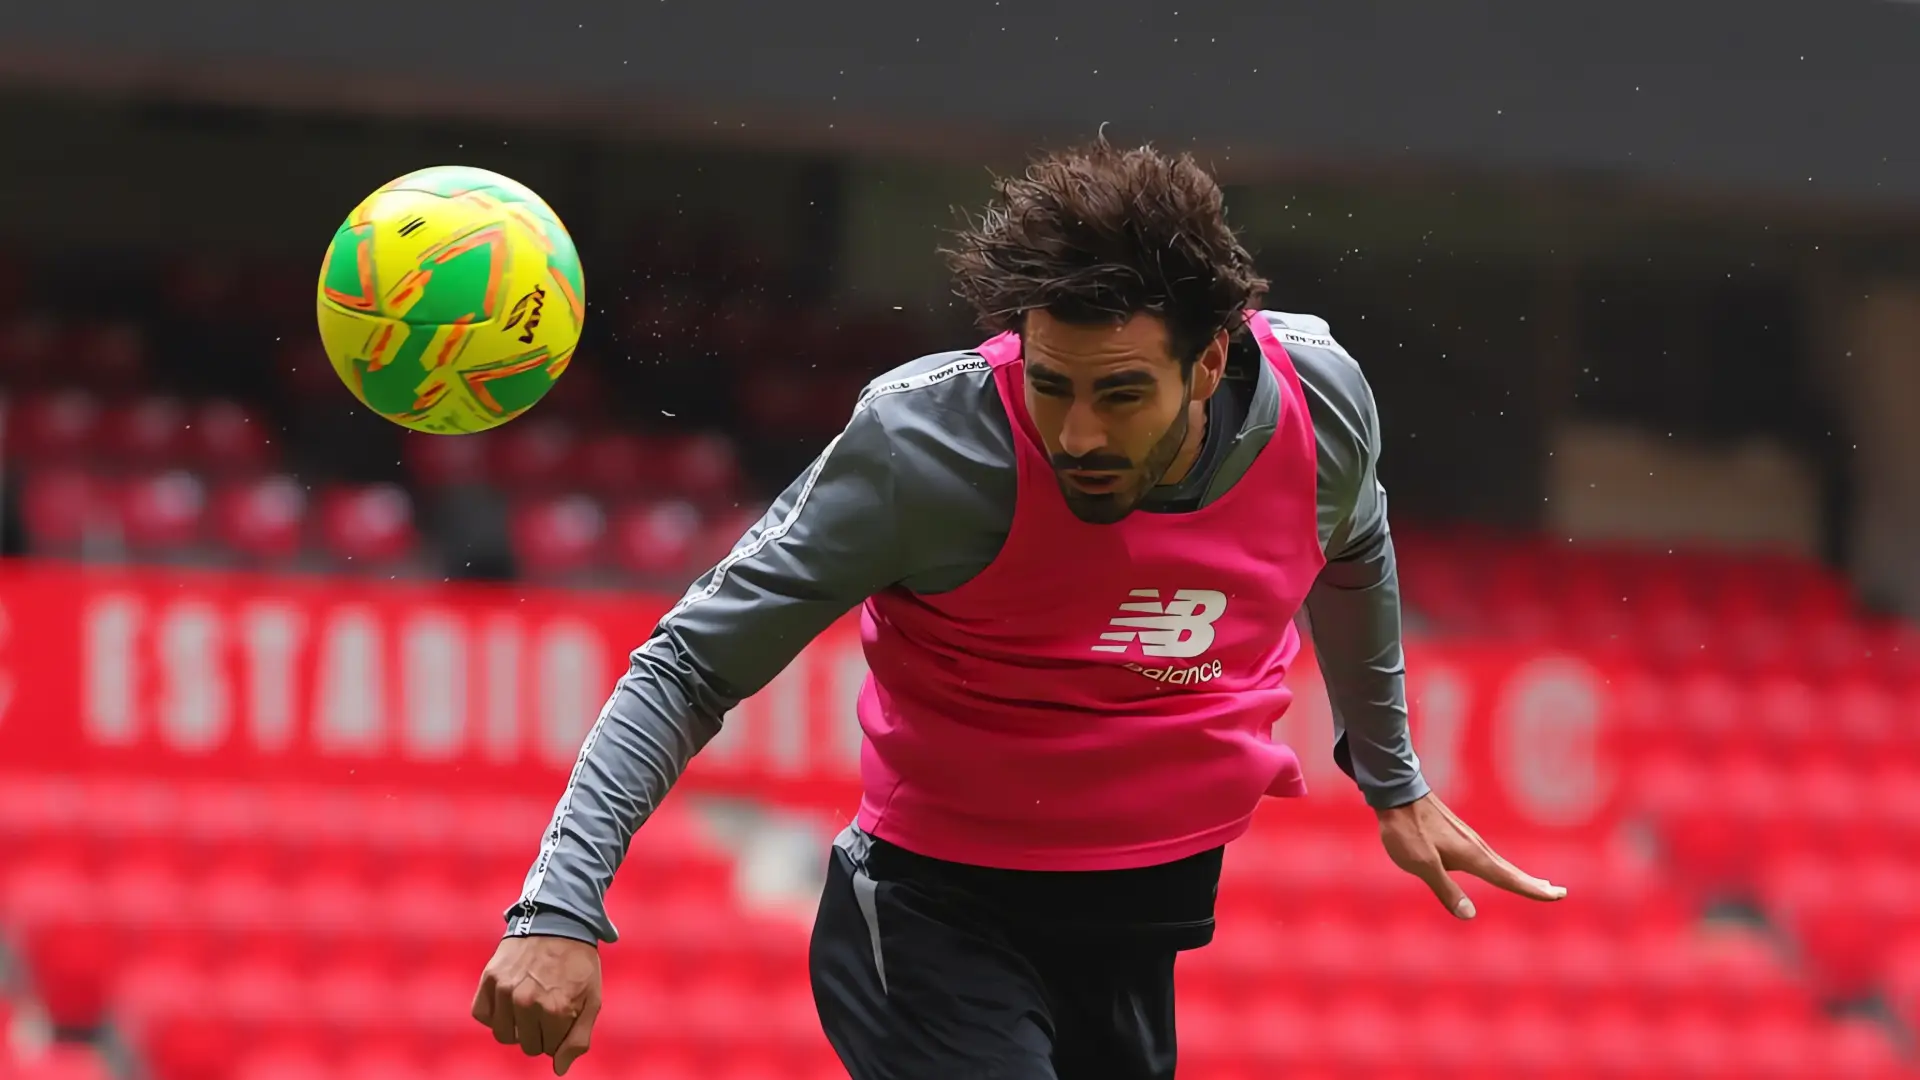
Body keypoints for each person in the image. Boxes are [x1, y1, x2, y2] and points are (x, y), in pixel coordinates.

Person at [471, 137, 1566, 1079]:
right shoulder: (927, 449)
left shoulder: (1322, 405)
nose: (1080, 433)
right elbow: (688, 667)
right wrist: (559, 904)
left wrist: (1392, 777)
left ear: (1210, 361)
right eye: (1053, 383)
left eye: (1122, 392)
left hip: (1140, 925)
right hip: (931, 919)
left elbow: (1353, 542)